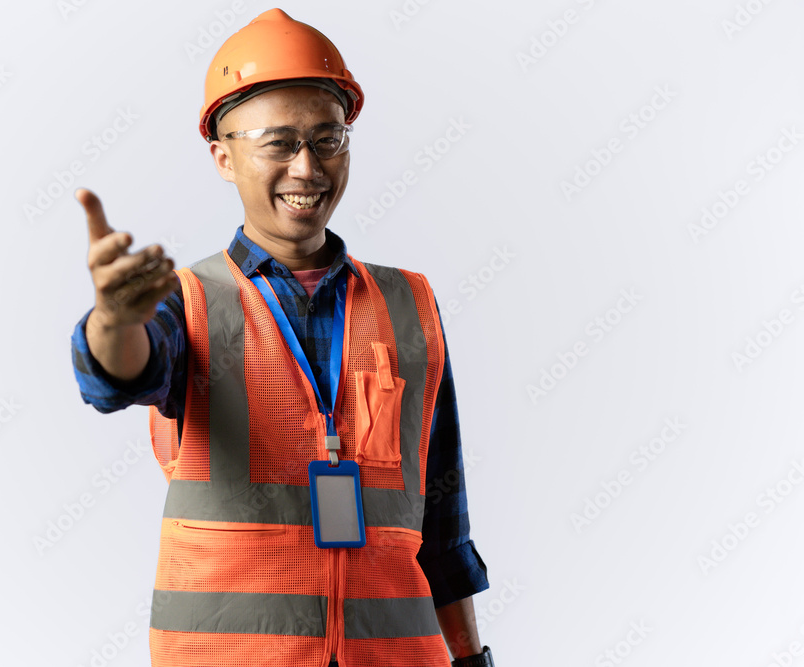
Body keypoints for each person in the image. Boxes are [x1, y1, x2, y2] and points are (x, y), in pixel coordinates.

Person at [70, 8, 492, 667]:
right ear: (224, 157)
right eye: (279, 143)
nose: (307, 167)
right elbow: (120, 374)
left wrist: (471, 659)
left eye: (329, 140)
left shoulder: (410, 302)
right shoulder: (185, 303)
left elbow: (443, 527)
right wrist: (114, 321)